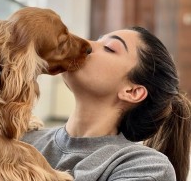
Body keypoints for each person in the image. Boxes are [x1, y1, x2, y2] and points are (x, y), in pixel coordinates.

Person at [23, 26, 191, 181]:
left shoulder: (146, 167)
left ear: (132, 92)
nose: (85, 43)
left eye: (109, 48)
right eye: (96, 40)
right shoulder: (22, 138)